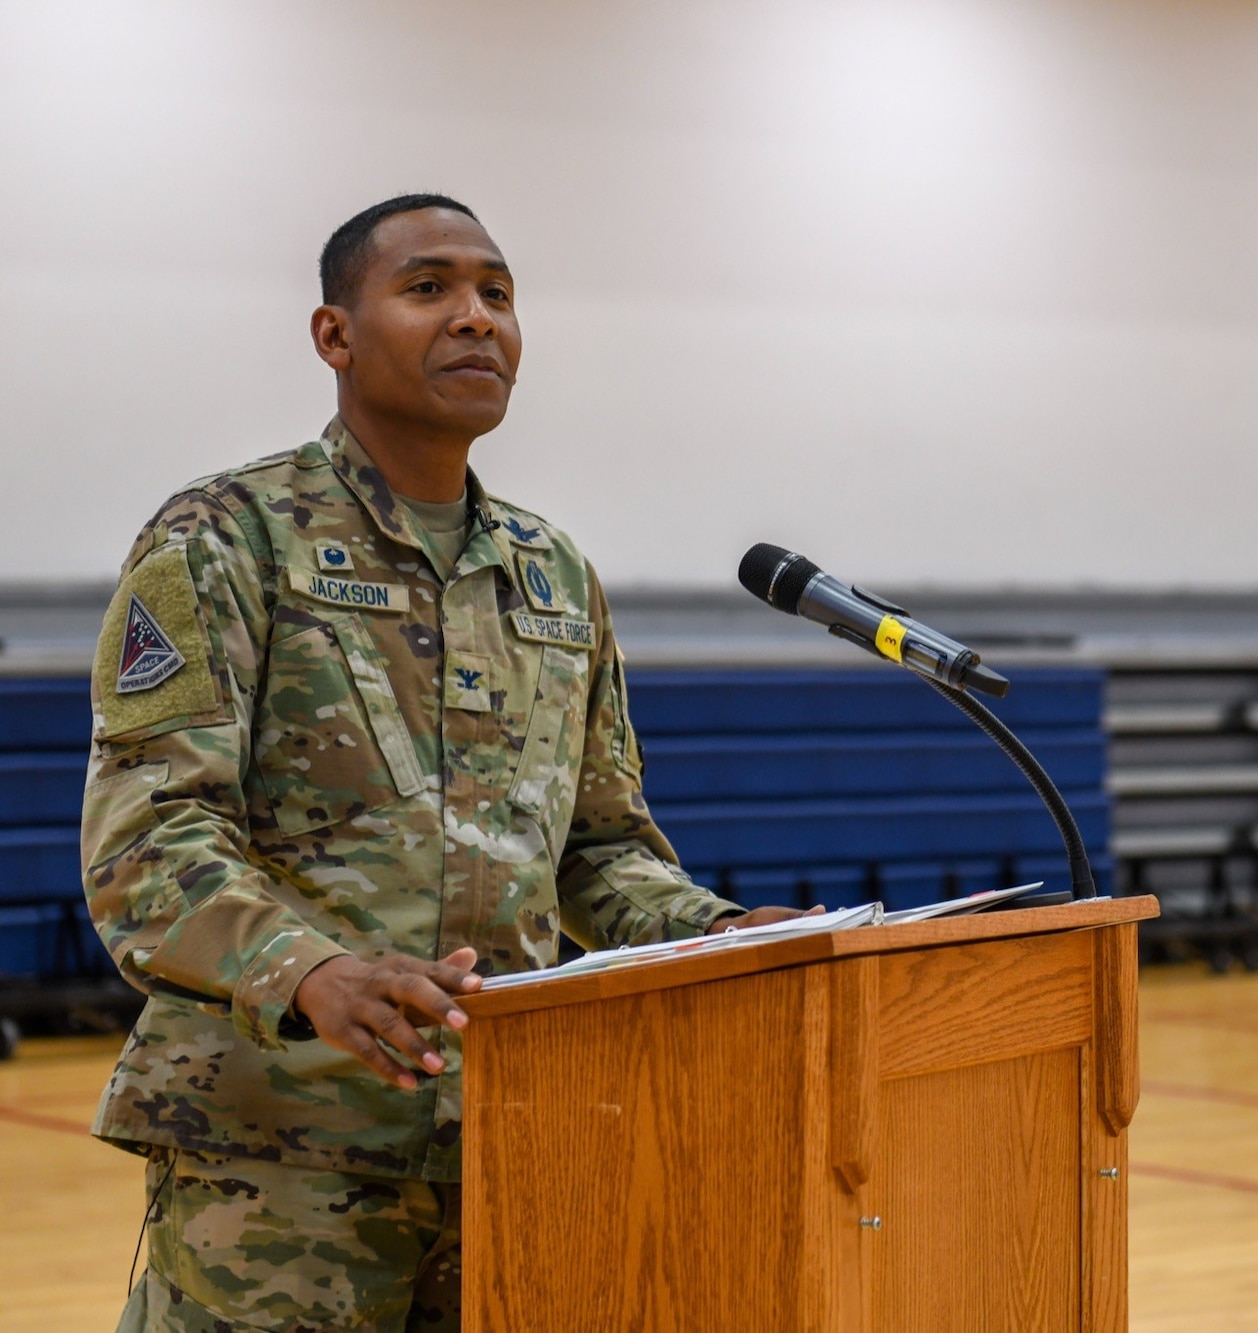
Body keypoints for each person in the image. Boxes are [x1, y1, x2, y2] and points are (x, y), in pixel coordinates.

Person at [81, 194, 813, 1331]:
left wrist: (713, 933)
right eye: (428, 289)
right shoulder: (228, 536)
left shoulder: (551, 574)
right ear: (335, 334)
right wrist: (311, 972)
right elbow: (147, 836)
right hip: (280, 1157)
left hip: (511, 1137)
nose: (475, 318)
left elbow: (597, 848)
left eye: (498, 294)